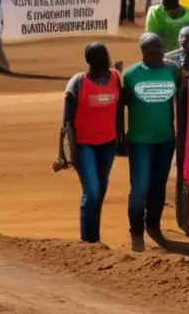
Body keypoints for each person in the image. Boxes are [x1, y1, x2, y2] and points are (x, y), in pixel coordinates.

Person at [55, 43, 123, 243]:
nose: (107, 59)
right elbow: (66, 121)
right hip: (84, 146)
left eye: (106, 55)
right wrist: (66, 152)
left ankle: (94, 239)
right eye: (103, 56)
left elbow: (119, 110)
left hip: (108, 143)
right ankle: (89, 243)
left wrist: (121, 138)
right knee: (92, 192)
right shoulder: (78, 82)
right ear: (90, 61)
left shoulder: (115, 78)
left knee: (100, 191)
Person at [123, 33, 182, 252]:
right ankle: (136, 233)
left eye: (160, 52)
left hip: (166, 140)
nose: (157, 56)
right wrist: (121, 134)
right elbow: (122, 106)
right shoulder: (130, 75)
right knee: (139, 189)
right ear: (143, 53)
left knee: (158, 187)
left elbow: (183, 97)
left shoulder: (172, 71)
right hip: (140, 141)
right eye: (152, 53)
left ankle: (154, 227)